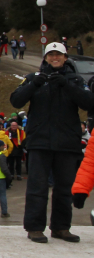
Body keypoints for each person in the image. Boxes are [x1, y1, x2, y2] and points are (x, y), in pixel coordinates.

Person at [10, 42, 94, 243]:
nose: (55, 58)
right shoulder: (33, 78)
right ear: (45, 58)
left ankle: (61, 227)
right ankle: (35, 228)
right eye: (51, 55)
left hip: (67, 142)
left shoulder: (74, 79)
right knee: (37, 188)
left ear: (65, 58)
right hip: (39, 141)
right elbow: (16, 101)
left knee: (65, 188)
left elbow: (89, 102)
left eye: (59, 55)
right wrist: (34, 84)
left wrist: (67, 85)